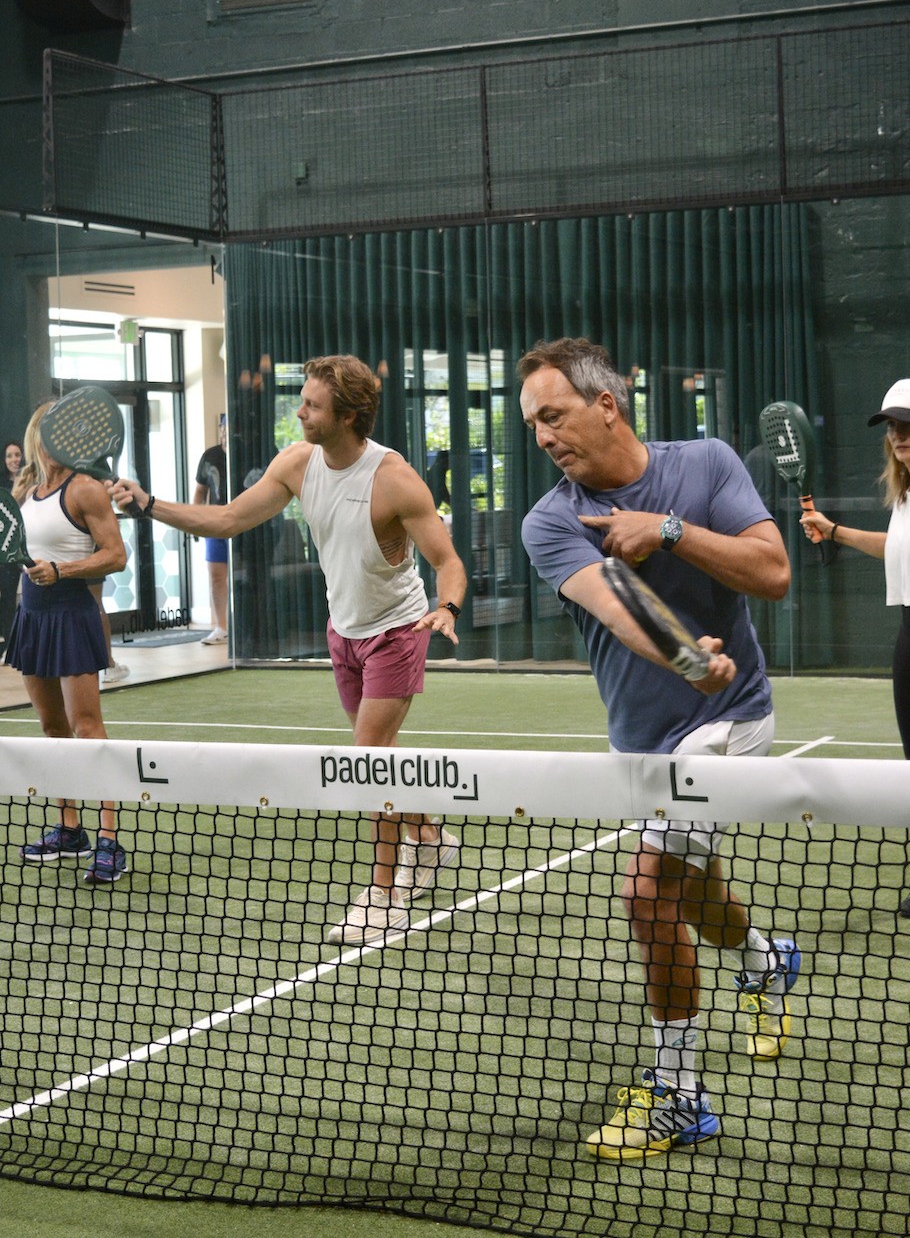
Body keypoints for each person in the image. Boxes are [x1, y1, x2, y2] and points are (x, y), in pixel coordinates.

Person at [517, 338, 796, 1162]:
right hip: (641, 742)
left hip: (731, 720)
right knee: (693, 894)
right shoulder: (551, 519)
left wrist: (667, 530)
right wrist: (684, 658)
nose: (543, 436)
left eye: (554, 415)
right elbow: (614, 604)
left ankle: (679, 1094)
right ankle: (763, 960)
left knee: (646, 893)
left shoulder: (705, 464)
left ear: (608, 404)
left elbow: (772, 570)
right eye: (533, 423)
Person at [110, 355, 468, 943]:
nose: (299, 411)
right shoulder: (298, 463)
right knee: (376, 751)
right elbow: (225, 520)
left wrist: (446, 608)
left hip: (398, 631)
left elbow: (448, 561)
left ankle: (383, 895)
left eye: (312, 405)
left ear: (349, 416)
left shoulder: (395, 479)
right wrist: (149, 505)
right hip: (343, 630)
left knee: (369, 757)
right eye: (301, 400)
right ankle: (428, 839)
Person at [800, 377, 910, 918]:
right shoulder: (906, 494)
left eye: (908, 425)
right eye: (893, 427)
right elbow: (896, 549)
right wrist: (835, 530)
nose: (899, 436)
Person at [7, 402, 129, 884]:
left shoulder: (84, 488)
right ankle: (70, 829)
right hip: (32, 616)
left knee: (87, 728)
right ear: (40, 433)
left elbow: (116, 555)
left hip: (71, 615)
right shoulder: (26, 491)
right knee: (53, 729)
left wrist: (62, 570)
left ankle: (108, 840)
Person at [193, 417, 229, 645]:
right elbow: (200, 492)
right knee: (216, 576)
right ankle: (221, 627)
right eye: (223, 428)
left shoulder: (252, 451)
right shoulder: (210, 456)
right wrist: (195, 520)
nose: (225, 433)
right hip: (216, 524)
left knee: (245, 578)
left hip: (245, 524)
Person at [0, 439, 24, 655]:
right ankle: (7, 644)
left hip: (24, 546)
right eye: (9, 456)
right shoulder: (2, 485)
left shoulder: (32, 482)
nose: (14, 459)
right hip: (4, 547)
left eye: (17, 454)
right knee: (6, 598)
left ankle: (14, 645)